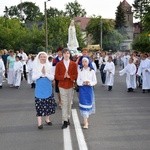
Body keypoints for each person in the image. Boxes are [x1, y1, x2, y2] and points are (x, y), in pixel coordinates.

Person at [32, 51, 56, 129]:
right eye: (41, 56)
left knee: (48, 103)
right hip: (39, 86)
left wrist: (45, 73)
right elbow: (33, 77)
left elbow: (52, 77)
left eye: (44, 56)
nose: (43, 58)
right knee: (39, 104)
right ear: (39, 57)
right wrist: (40, 73)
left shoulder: (49, 66)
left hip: (47, 86)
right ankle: (39, 123)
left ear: (46, 57)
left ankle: (47, 119)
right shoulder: (35, 66)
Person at [55, 48, 78, 129]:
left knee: (69, 104)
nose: (66, 54)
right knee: (64, 104)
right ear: (62, 54)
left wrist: (70, 76)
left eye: (68, 53)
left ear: (69, 54)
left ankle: (68, 117)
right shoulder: (59, 64)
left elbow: (76, 75)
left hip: (71, 86)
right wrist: (63, 76)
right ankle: (64, 120)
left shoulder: (74, 64)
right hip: (62, 86)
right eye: (64, 53)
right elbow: (56, 76)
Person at [77, 57, 97, 129]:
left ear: (88, 62)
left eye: (86, 61)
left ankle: (86, 121)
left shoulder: (92, 71)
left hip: (89, 89)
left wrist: (89, 83)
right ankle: (85, 122)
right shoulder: (80, 70)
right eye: (83, 62)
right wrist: (83, 82)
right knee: (83, 105)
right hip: (82, 89)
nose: (84, 63)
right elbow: (78, 81)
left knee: (88, 105)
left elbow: (95, 81)